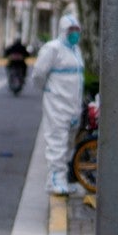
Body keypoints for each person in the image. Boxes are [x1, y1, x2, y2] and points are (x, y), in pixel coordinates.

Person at [31, 14, 85, 195]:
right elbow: (38, 74)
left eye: (77, 30)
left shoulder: (76, 50)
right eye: (71, 30)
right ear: (63, 31)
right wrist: (48, 91)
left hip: (73, 105)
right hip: (57, 104)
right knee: (57, 142)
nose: (75, 33)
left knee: (69, 143)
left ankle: (60, 179)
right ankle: (55, 181)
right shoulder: (52, 49)